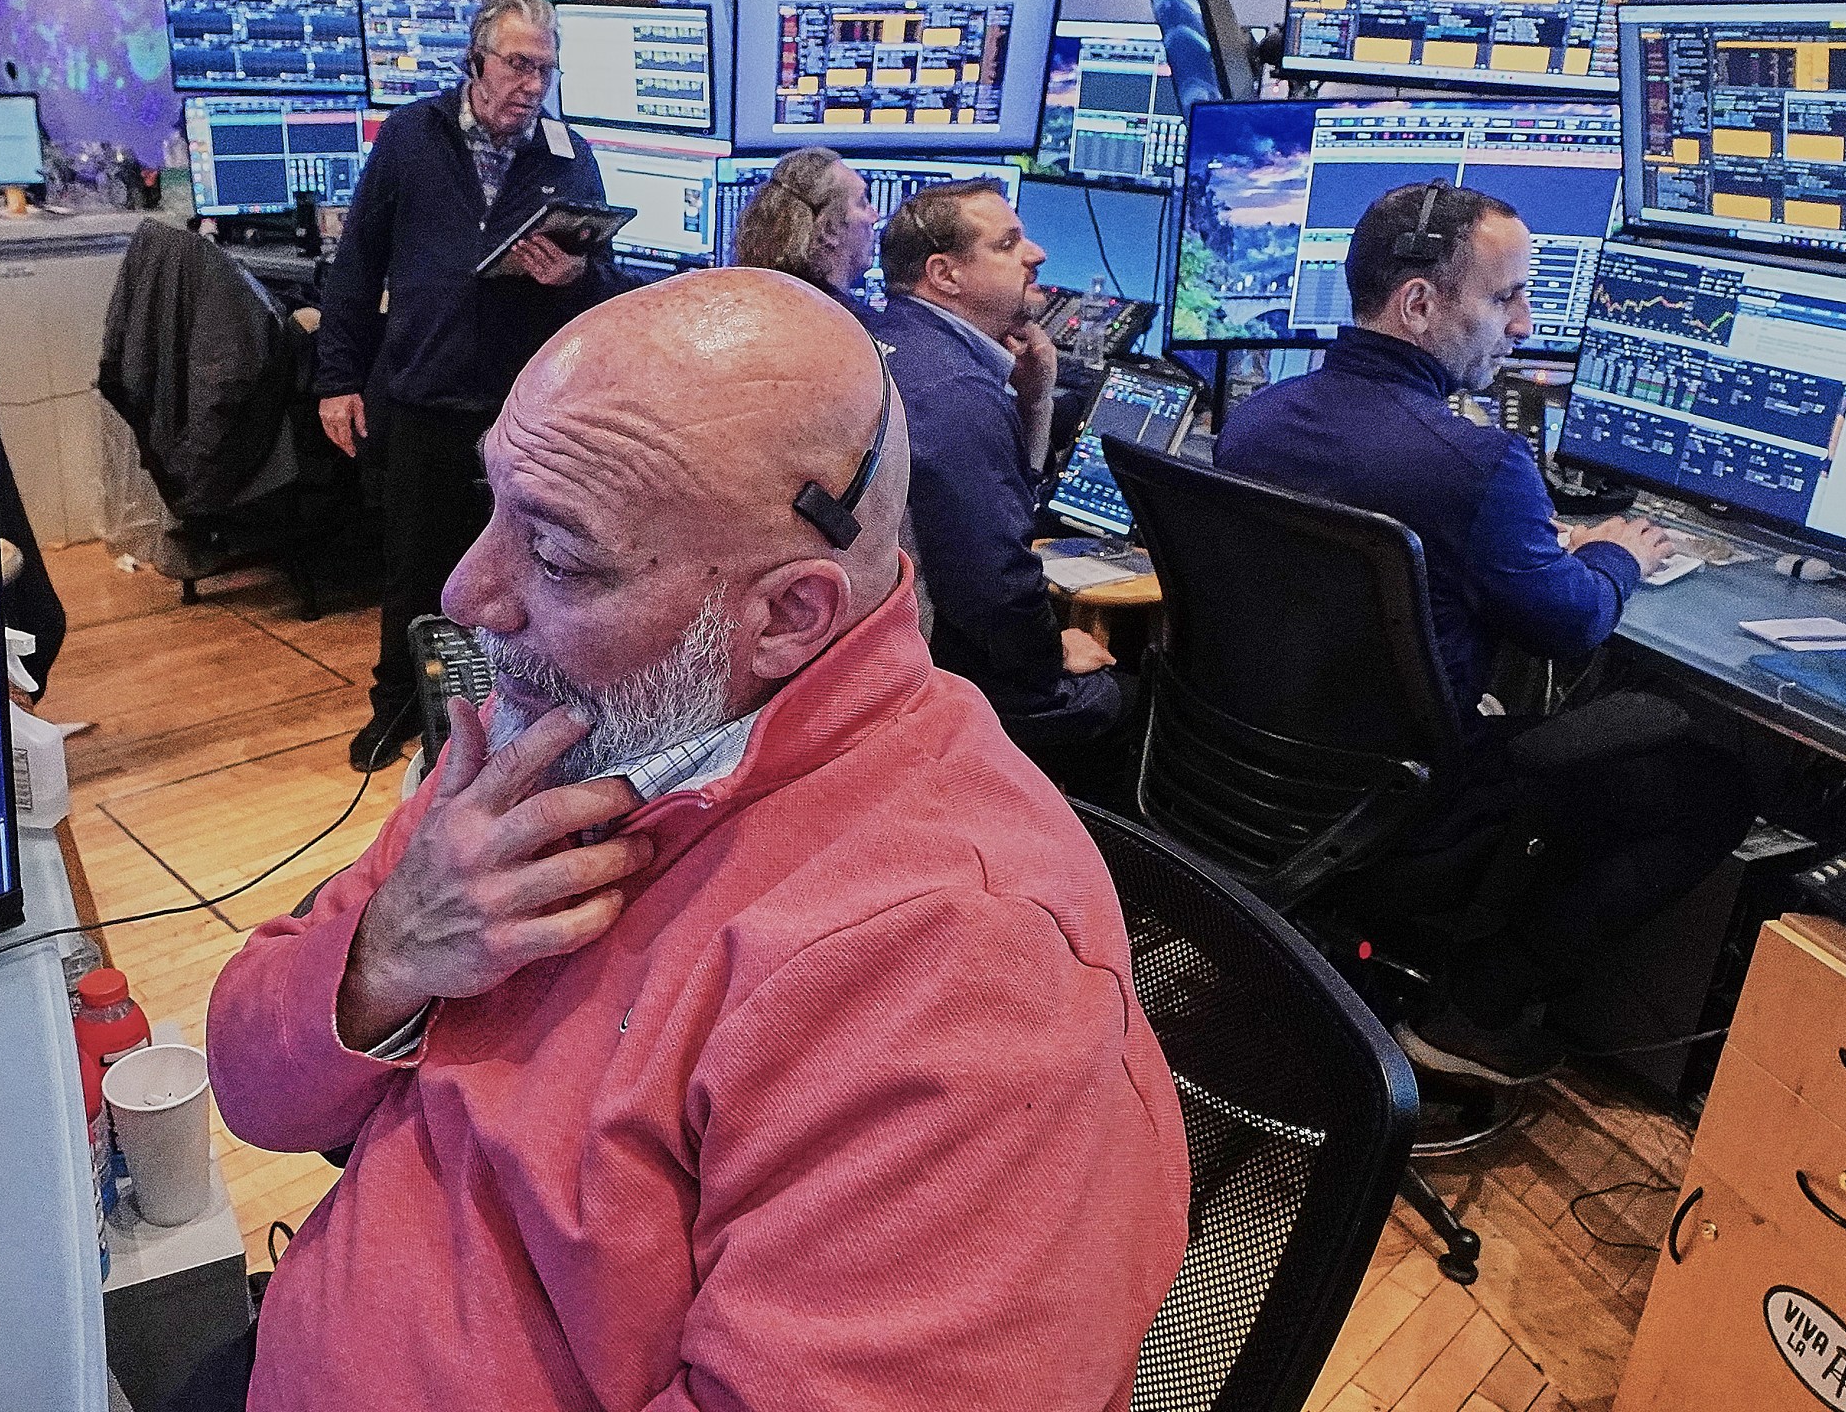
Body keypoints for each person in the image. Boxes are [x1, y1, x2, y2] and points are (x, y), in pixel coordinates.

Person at [196, 270, 1191, 1412]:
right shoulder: (540, 735)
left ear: (788, 615)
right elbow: (253, 1088)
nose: (468, 594)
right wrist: (382, 957)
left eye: (561, 560)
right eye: (494, 507)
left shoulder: (960, 969)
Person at [1217, 181, 1753, 1084]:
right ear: (1420, 303)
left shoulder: (1258, 419)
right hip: (1409, 803)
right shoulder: (1477, 463)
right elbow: (1572, 625)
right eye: (1505, 298)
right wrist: (1617, 553)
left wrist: (1526, 541)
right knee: (1708, 786)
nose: (1522, 325)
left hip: (1256, 776)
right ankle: (1477, 1009)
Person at [314, 0, 630, 773]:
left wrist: (571, 279)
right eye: (518, 65)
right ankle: (397, 712)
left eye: (545, 70)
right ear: (476, 61)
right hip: (424, 393)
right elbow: (358, 263)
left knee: (520, 584)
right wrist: (337, 377)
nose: (531, 85)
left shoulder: (566, 153)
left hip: (524, 411)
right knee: (415, 570)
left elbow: (606, 280)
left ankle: (496, 723)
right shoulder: (411, 136)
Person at [870, 178, 1133, 799]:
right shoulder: (956, 393)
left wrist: (1034, 398)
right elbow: (995, 587)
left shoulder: (889, 337)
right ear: (946, 275)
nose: (1036, 253)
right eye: (1008, 243)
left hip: (878, 652)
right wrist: (1050, 667)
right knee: (1124, 695)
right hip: (935, 676)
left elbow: (993, 519)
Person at [728, 146, 880, 321]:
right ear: (829, 229)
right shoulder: (854, 333)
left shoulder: (744, 305)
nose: (874, 217)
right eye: (862, 202)